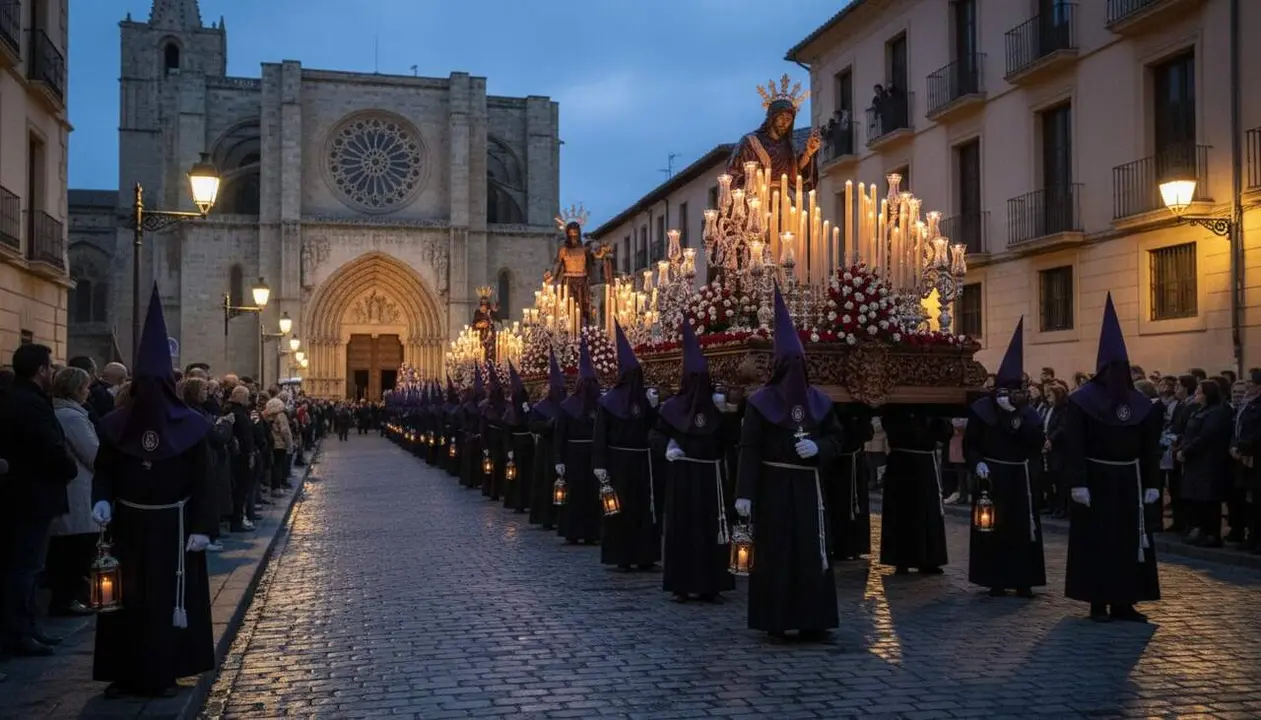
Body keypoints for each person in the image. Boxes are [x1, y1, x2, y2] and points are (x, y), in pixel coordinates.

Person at [91, 285, 217, 696]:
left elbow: (204, 480)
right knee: (126, 600)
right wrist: (103, 500)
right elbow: (104, 468)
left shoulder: (192, 427)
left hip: (175, 529)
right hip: (128, 525)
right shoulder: (116, 426)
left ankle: (166, 669)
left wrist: (203, 525)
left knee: (167, 599)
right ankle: (125, 672)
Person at [734, 288, 841, 640]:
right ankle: (775, 619)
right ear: (780, 367)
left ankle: (814, 619)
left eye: (800, 365)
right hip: (773, 488)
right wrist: (744, 493)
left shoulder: (820, 402)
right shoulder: (760, 403)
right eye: (789, 365)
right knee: (777, 551)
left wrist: (819, 448)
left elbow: (838, 438)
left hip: (810, 488)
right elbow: (748, 448)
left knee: (812, 549)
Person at [1064, 293, 1162, 623]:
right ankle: (1097, 601)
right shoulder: (1082, 402)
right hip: (1096, 480)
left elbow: (1150, 447)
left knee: (1127, 540)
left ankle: (1125, 600)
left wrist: (1152, 483)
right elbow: (1074, 445)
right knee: (1098, 541)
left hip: (1130, 482)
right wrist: (1078, 483)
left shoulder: (1141, 405)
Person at [0, 343, 79, 656]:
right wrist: (68, 466)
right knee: (25, 567)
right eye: (49, 367)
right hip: (30, 496)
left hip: (26, 494)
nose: (52, 372)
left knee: (28, 566)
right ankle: (20, 632)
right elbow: (47, 446)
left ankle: (29, 627)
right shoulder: (29, 403)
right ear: (40, 370)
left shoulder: (18, 398)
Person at [964, 319, 1047, 598]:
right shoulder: (981, 410)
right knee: (992, 526)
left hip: (1020, 478)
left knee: (1022, 527)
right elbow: (971, 444)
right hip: (993, 477)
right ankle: (994, 578)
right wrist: (978, 464)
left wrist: (1014, 416)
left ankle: (1024, 578)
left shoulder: (1028, 413)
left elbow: (1035, 442)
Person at [655, 319, 735, 602]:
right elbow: (656, 434)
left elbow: (729, 441)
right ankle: (682, 582)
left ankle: (712, 582)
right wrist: (669, 447)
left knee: (710, 531)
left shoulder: (716, 411)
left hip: (711, 480)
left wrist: (729, 413)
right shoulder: (672, 409)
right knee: (684, 529)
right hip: (684, 478)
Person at [593, 324, 661, 571]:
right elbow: (600, 435)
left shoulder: (643, 401)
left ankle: (644, 555)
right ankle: (621, 555)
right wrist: (600, 465)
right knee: (619, 509)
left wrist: (655, 405)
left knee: (643, 508)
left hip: (642, 462)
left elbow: (656, 424)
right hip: (618, 463)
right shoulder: (608, 402)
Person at [48, 366, 101, 617]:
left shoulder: (65, 413)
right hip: (77, 490)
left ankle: (70, 596)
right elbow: (92, 454)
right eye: (86, 387)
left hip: (74, 489)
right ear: (77, 389)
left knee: (71, 550)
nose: (88, 392)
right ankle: (66, 599)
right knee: (73, 551)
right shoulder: (71, 417)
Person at [879, 404, 951, 575]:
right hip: (901, 465)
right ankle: (900, 558)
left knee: (927, 511)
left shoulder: (931, 412)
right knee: (901, 511)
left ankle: (929, 559)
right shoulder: (895, 411)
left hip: (924, 465)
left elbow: (944, 433)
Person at [728, 77, 820, 192]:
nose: (784, 122)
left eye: (789, 119)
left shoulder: (788, 147)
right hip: (757, 202)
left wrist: (808, 153)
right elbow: (734, 175)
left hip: (785, 203)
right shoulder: (750, 143)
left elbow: (796, 176)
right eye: (781, 117)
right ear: (772, 117)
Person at [555, 337, 602, 545]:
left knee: (592, 495)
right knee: (575, 495)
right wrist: (559, 459)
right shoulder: (567, 406)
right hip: (574, 457)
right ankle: (573, 531)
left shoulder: (600, 405)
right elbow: (560, 434)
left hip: (592, 456)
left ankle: (592, 532)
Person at [1176, 379, 1232, 547]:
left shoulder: (1216, 412)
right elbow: (1188, 432)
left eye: (1200, 392)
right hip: (1194, 462)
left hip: (1208, 462)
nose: (1196, 395)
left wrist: (1187, 451)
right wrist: (1182, 449)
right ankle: (1199, 530)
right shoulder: (1198, 411)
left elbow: (1206, 436)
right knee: (1196, 499)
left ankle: (1211, 534)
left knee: (1208, 499)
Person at [527, 351, 566, 530]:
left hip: (564, 450)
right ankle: (546, 516)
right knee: (545, 482)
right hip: (546, 450)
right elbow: (533, 426)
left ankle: (561, 517)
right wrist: (547, 425)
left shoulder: (567, 406)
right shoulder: (540, 407)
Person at [502, 363, 534, 514]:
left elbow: (532, 426)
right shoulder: (510, 412)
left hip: (527, 445)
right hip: (516, 446)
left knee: (528, 475)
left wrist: (529, 413)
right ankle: (517, 502)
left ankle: (527, 501)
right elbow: (507, 431)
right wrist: (509, 449)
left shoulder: (528, 409)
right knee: (516, 476)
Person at [479, 365, 508, 501]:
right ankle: (492, 490)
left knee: (503, 465)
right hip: (492, 439)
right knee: (492, 465)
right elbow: (483, 427)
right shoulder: (485, 407)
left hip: (503, 438)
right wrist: (484, 445)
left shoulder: (506, 405)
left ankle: (502, 490)